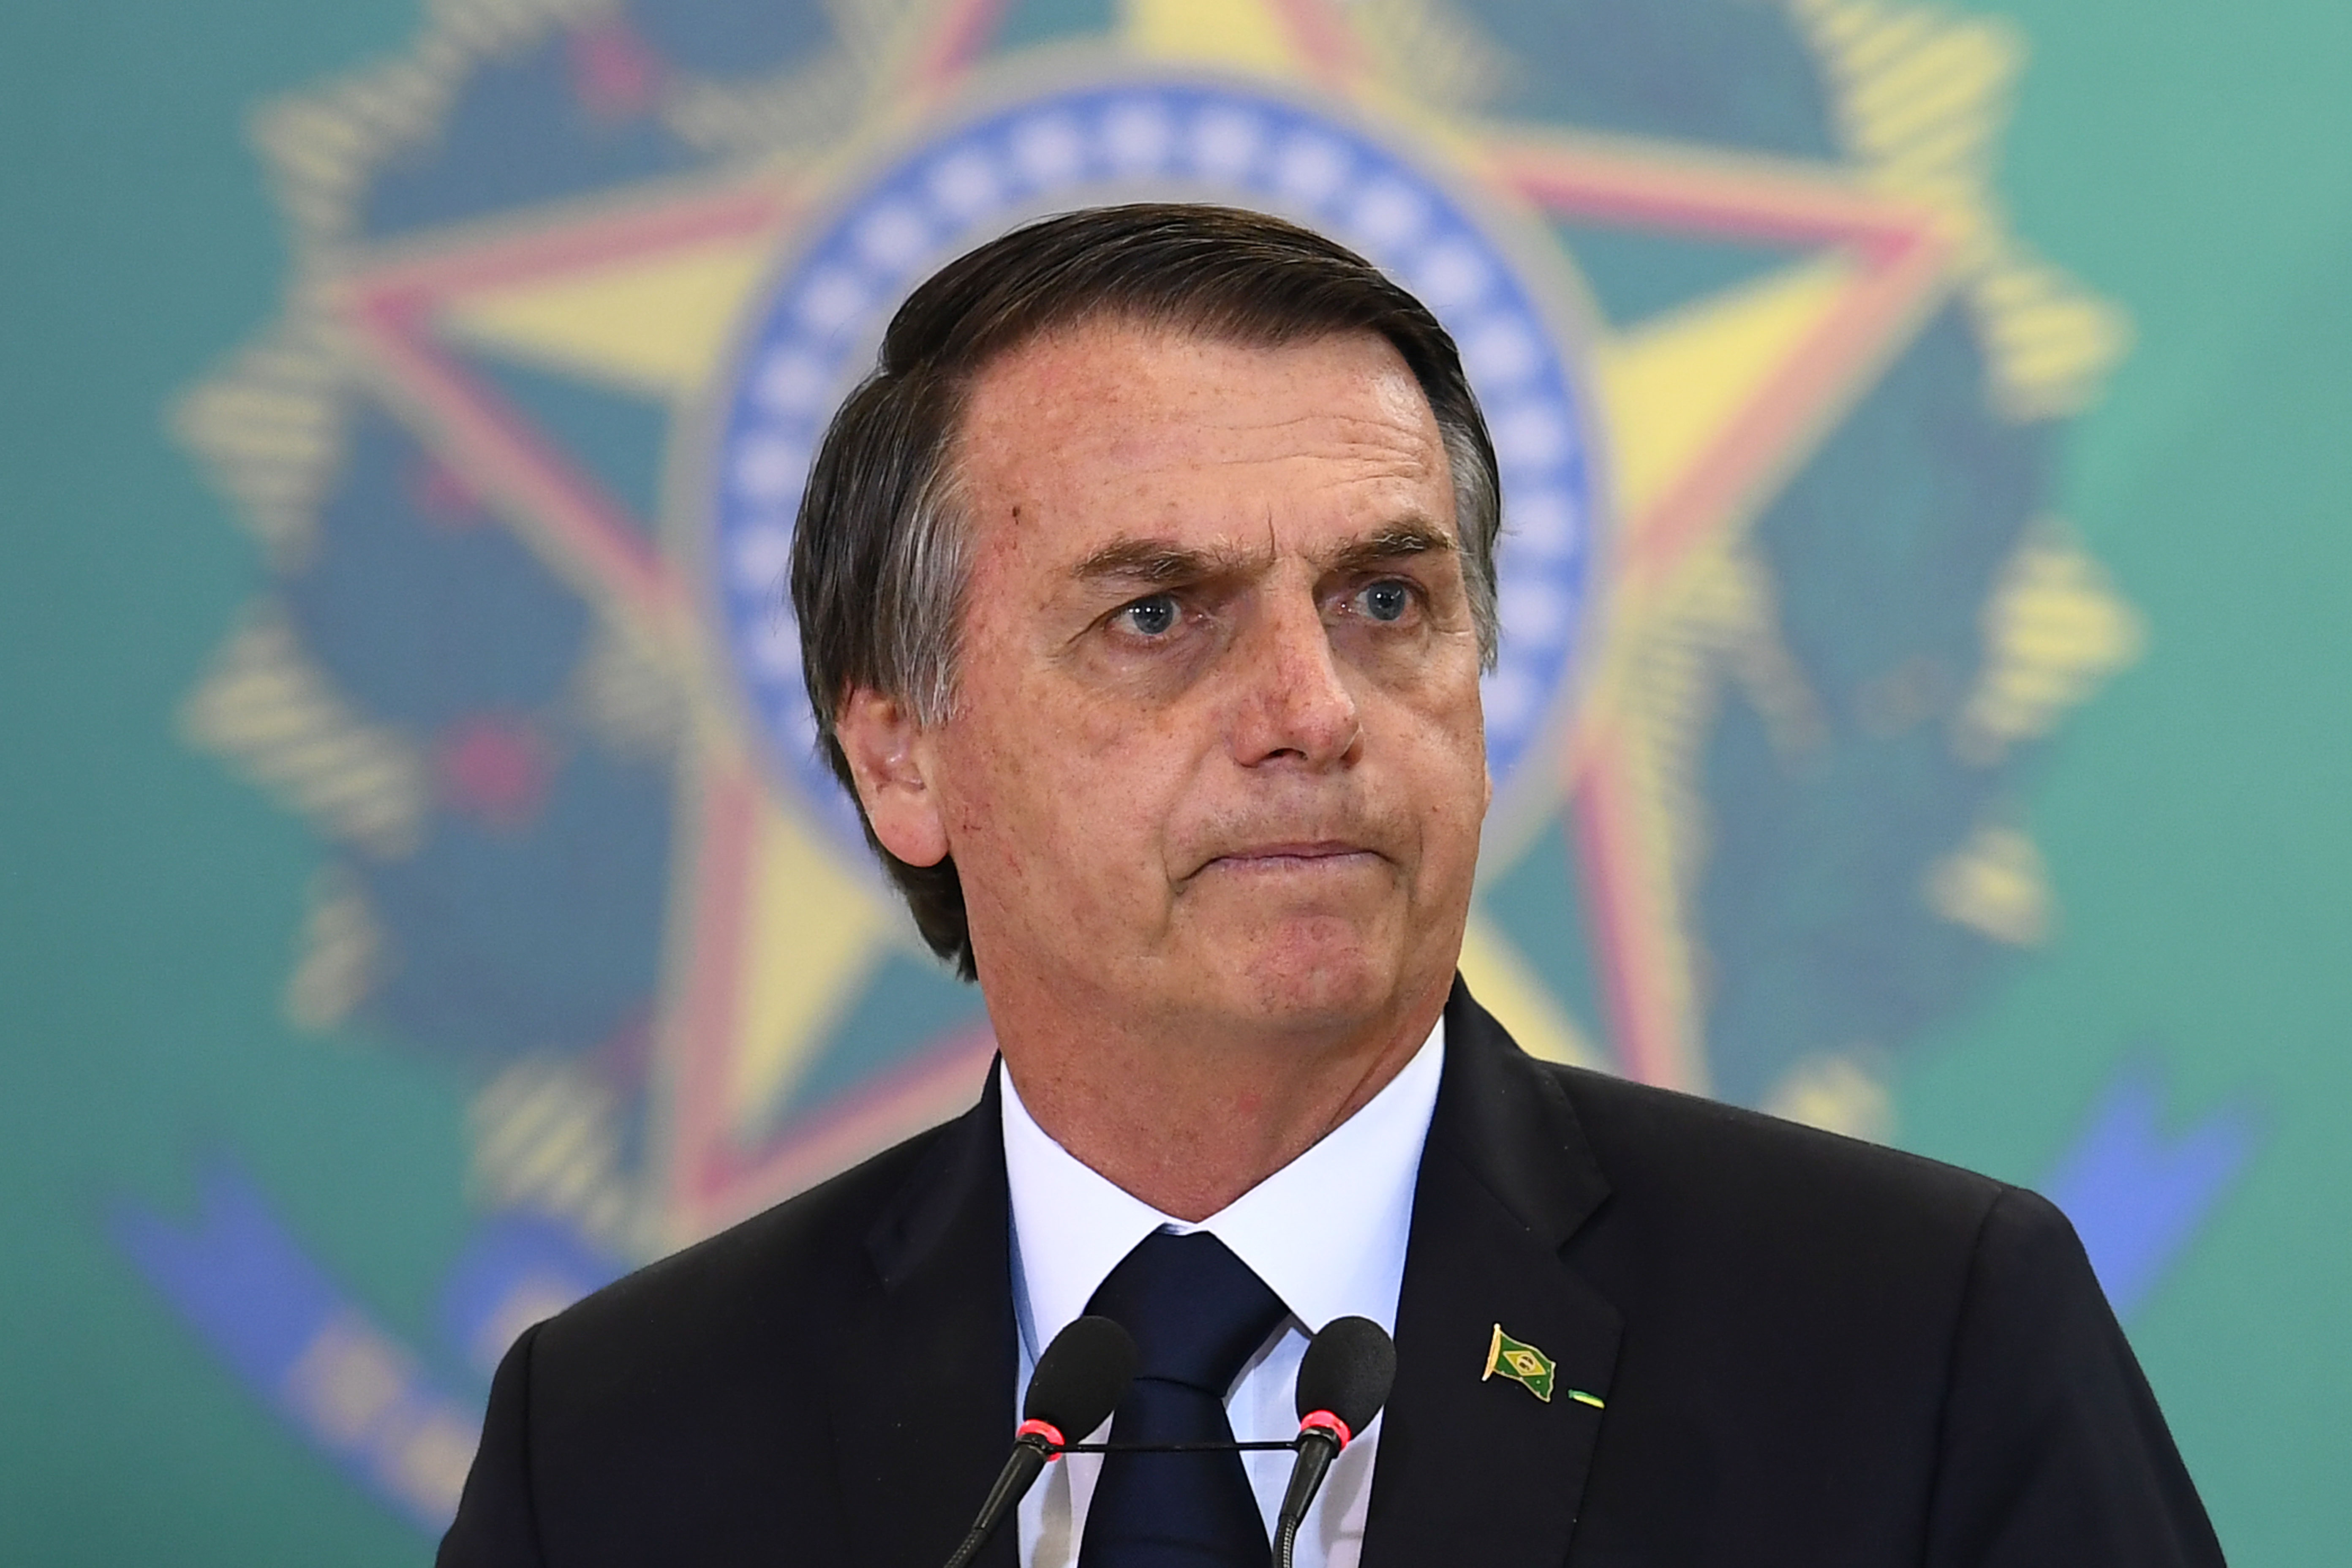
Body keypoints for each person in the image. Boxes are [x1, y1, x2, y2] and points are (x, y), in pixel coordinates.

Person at [438, 204, 2224, 1568]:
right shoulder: (613, 1446)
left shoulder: (1914, 1342)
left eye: (1387, 601)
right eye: (1158, 615)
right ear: (902, 751)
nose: (1313, 711)